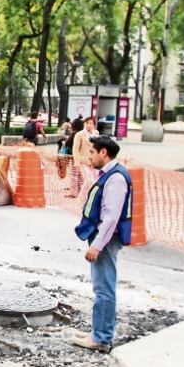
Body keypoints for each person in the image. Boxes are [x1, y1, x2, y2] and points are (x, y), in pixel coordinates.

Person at [72, 135, 133, 353]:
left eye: (92, 152)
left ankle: (100, 338)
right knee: (102, 288)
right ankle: (98, 332)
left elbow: (111, 217)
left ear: (103, 153)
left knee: (104, 290)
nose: (89, 157)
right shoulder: (111, 174)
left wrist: (96, 245)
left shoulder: (115, 178)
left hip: (106, 240)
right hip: (104, 238)